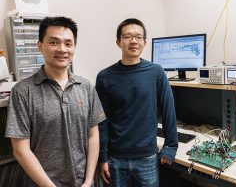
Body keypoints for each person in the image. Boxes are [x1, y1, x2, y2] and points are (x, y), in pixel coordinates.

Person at [5, 16, 106, 187]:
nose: (62, 49)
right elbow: (20, 150)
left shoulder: (86, 87)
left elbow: (93, 135)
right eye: (54, 42)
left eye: (68, 44)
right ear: (40, 45)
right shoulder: (23, 91)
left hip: (83, 182)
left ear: (74, 47)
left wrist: (89, 181)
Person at [96, 18, 178, 187]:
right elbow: (102, 122)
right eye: (128, 36)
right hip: (115, 159)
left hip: (147, 158)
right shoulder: (105, 77)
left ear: (145, 42)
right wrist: (102, 158)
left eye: (138, 37)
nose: (134, 41)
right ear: (118, 42)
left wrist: (171, 147)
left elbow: (168, 110)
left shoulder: (156, 72)